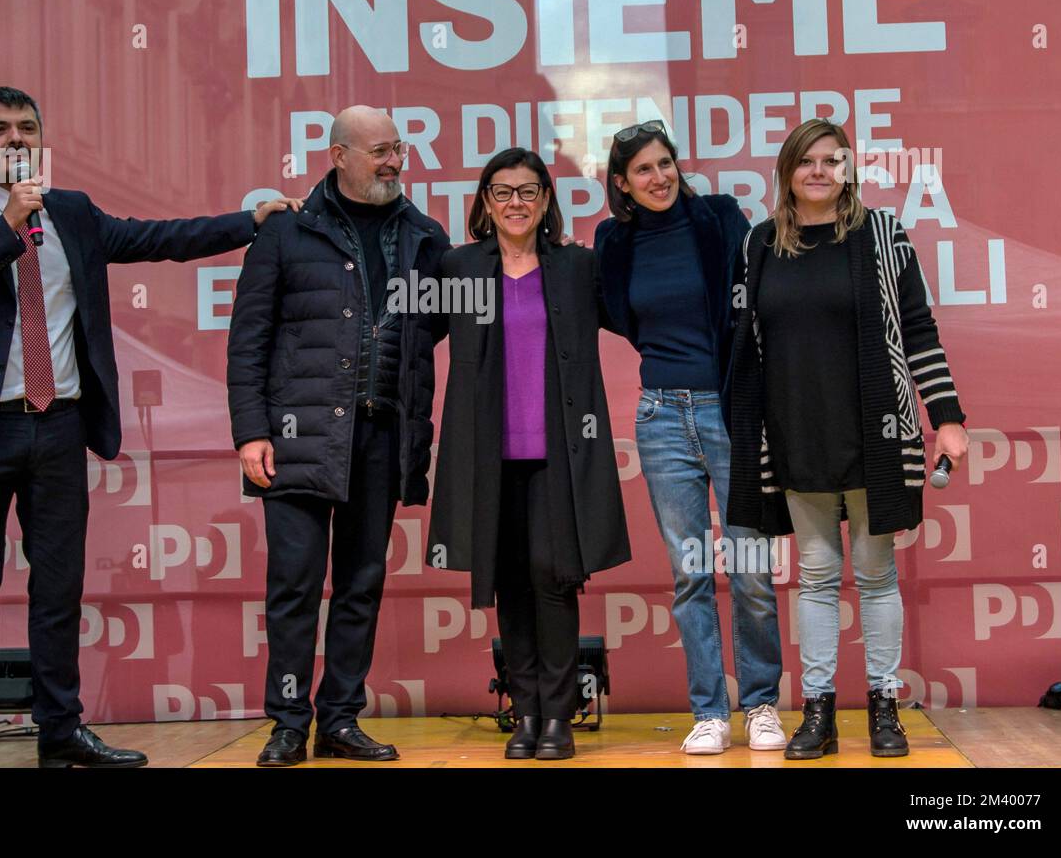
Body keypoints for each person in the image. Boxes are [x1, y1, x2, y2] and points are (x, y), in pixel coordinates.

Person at [0, 86, 300, 769]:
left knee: (58, 586)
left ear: (41, 137)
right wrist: (5, 225)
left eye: (26, 128)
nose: (14, 139)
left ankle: (61, 729)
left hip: (58, 425)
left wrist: (249, 219)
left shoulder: (72, 213)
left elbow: (159, 239)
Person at [726, 118, 969, 759]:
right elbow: (746, 350)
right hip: (796, 433)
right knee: (814, 577)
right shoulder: (758, 245)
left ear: (848, 170)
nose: (818, 171)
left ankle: (885, 711)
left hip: (874, 432)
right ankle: (819, 715)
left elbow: (918, 328)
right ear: (787, 170)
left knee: (876, 573)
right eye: (806, 161)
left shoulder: (882, 235)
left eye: (832, 161)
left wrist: (946, 415)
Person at [227, 105, 449, 767]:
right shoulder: (287, 233)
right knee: (294, 583)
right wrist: (251, 431)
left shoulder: (424, 235)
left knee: (362, 581)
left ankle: (340, 719)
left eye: (398, 148)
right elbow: (249, 341)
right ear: (340, 155)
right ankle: (289, 722)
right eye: (379, 149)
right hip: (297, 436)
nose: (392, 161)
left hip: (382, 435)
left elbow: (433, 327)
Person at [429, 147, 630, 761]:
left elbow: (641, 308)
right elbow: (410, 337)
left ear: (545, 200)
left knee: (553, 576)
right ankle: (526, 712)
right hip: (487, 454)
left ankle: (559, 716)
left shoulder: (577, 267)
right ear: (485, 202)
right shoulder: (459, 269)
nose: (515, 203)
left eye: (528, 191)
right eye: (502, 191)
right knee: (509, 579)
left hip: (562, 450)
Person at [595, 120, 785, 755]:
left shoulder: (721, 219)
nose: (659, 177)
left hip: (729, 412)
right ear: (621, 183)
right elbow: (613, 313)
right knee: (690, 573)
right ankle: (710, 712)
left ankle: (760, 702)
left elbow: (757, 298)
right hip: (659, 418)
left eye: (666, 163)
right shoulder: (612, 242)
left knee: (752, 567)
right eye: (643, 170)